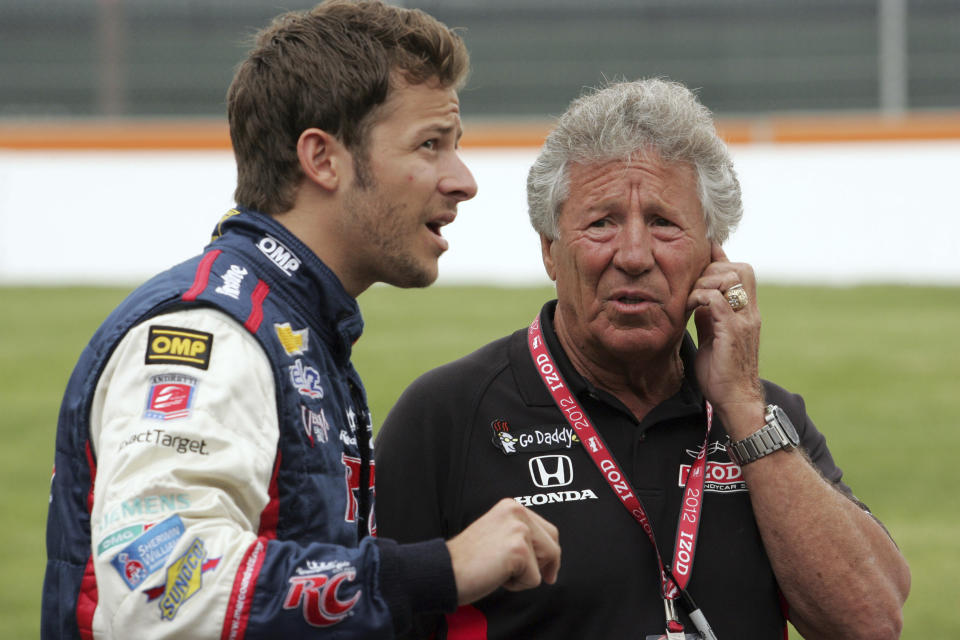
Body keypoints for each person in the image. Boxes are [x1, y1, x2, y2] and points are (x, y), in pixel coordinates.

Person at [41, 2, 561, 638]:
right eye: (431, 144)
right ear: (323, 159)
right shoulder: (210, 333)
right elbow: (156, 591)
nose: (463, 180)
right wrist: (439, 570)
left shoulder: (296, 325)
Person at [374, 78, 911, 639]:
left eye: (664, 223)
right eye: (602, 221)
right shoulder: (448, 417)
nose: (633, 255)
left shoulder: (766, 420)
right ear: (550, 250)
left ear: (714, 254)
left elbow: (871, 623)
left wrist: (745, 408)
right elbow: (362, 619)